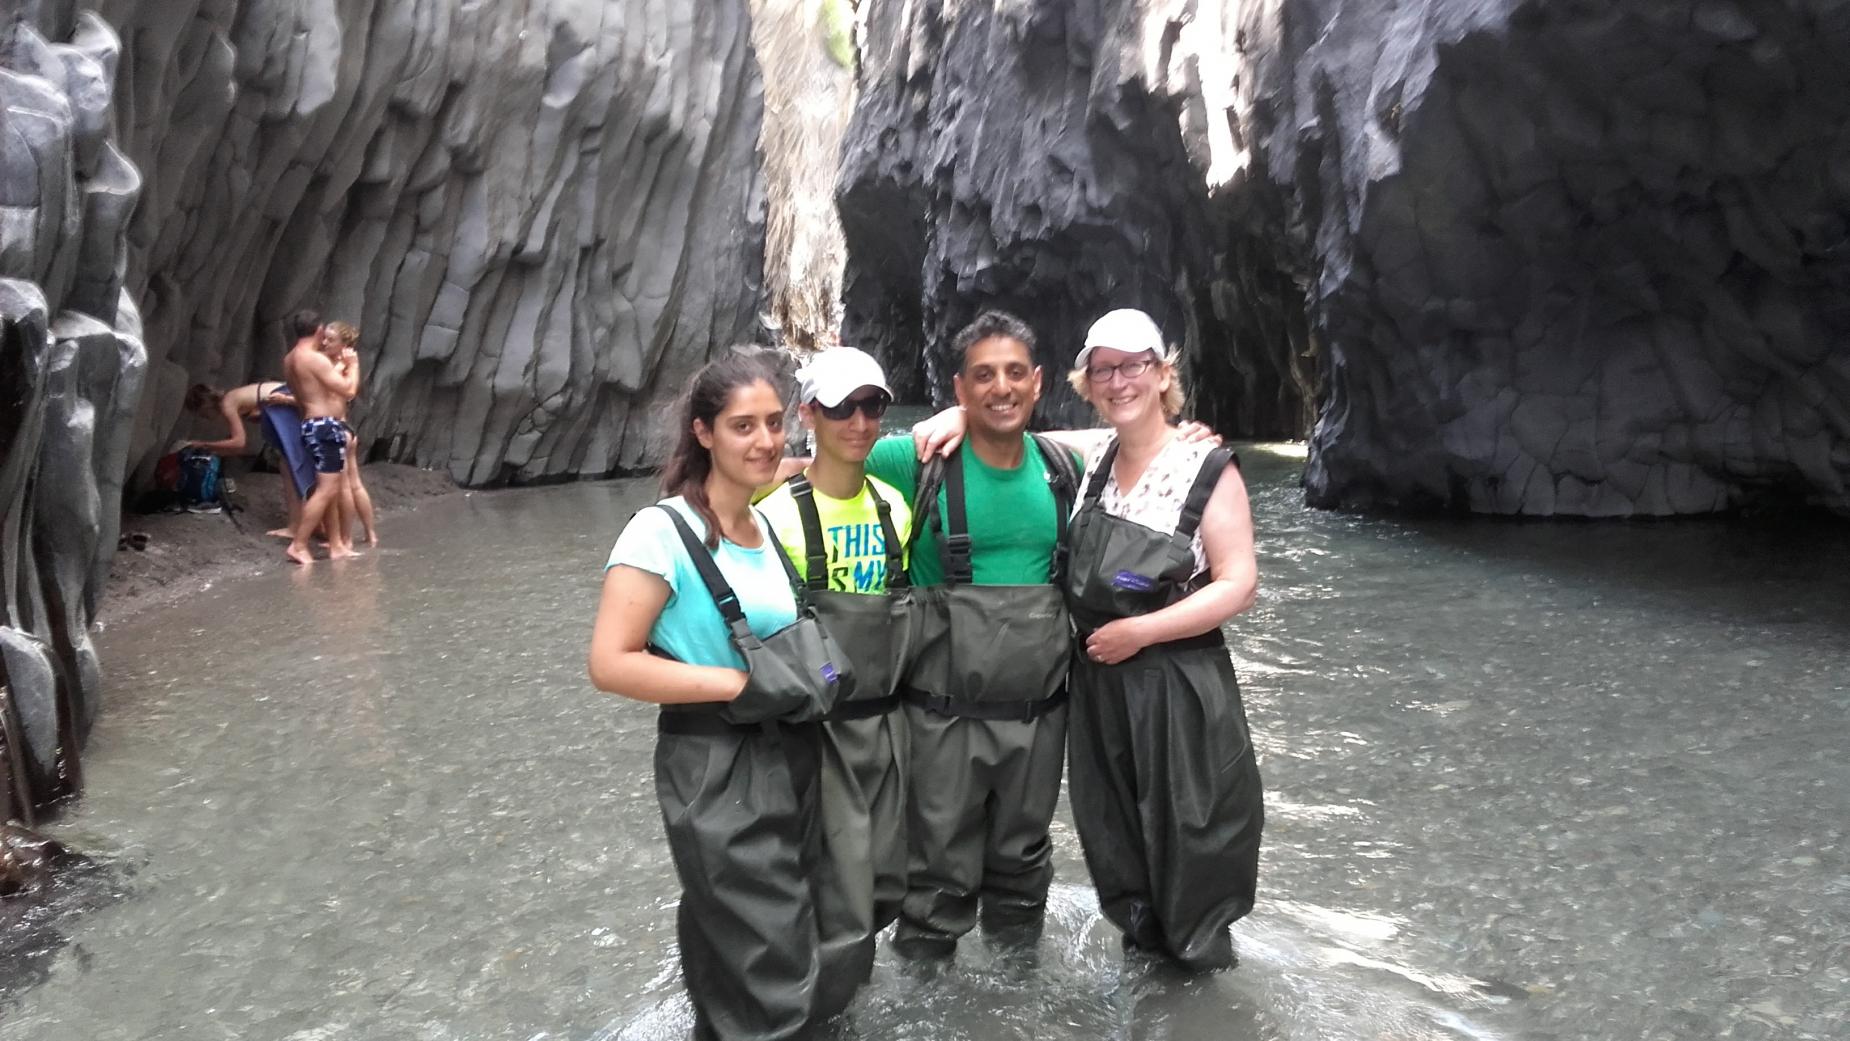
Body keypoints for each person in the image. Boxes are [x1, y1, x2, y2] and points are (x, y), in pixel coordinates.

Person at [588, 351, 854, 1041]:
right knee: (764, 949)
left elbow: (841, 461)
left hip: (792, 750)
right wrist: (737, 683)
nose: (765, 440)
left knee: (783, 935)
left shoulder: (762, 526)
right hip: (717, 760)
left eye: (774, 423)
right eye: (743, 426)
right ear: (703, 432)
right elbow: (610, 663)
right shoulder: (660, 532)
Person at [859, 310, 1080, 957]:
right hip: (940, 722)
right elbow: (813, 464)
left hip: (1039, 722)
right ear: (959, 388)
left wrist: (1191, 433)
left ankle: (1017, 990)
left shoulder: (1065, 467)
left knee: (1024, 867)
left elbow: (1138, 438)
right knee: (934, 874)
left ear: (1038, 382)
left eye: (1014, 373)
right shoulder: (914, 461)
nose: (1000, 387)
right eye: (983, 376)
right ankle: (926, 993)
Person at [1059, 307, 1264, 971]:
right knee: (1119, 843)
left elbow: (1239, 583)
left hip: (1179, 689)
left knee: (1194, 845)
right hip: (1102, 692)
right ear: (1087, 383)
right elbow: (1002, 432)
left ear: (1162, 373)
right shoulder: (1093, 458)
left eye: (1133, 366)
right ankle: (1149, 986)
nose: (1119, 381)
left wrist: (1141, 631)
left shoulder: (1208, 466)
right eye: (1103, 370)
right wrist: (952, 418)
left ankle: (1204, 992)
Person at [756, 347, 915, 1004]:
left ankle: (848, 998)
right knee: (835, 889)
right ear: (808, 416)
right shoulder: (774, 516)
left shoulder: (895, 507)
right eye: (840, 407)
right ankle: (824, 1013)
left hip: (889, 728)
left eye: (872, 406)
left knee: (886, 882)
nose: (859, 421)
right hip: (818, 734)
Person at [183, 380, 312, 536]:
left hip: (282, 398)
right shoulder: (233, 398)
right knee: (296, 465)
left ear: (205, 407)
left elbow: (239, 443)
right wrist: (215, 450)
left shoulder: (227, 404)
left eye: (202, 415)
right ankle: (313, 522)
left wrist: (204, 444)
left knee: (290, 467)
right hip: (286, 395)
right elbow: (240, 445)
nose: (205, 419)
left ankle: (295, 526)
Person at [282, 309, 358, 564]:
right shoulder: (314, 359)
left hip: (309, 424)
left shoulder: (289, 359)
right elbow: (348, 390)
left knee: (329, 488)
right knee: (327, 489)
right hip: (324, 426)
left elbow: (303, 394)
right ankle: (299, 545)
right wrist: (353, 366)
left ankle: (336, 545)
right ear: (318, 330)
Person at [320, 321, 379, 545]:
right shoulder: (350, 363)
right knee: (355, 484)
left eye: (330, 339)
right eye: (324, 338)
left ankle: (346, 539)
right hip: (347, 429)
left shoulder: (337, 365)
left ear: (344, 344)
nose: (324, 343)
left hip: (337, 428)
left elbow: (343, 393)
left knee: (344, 486)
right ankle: (370, 533)